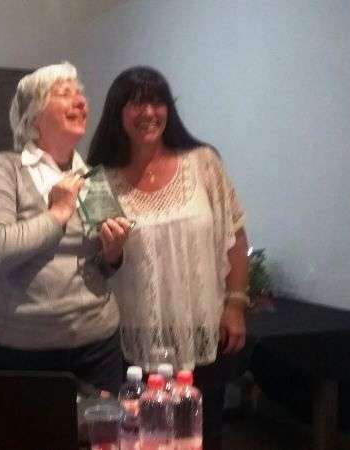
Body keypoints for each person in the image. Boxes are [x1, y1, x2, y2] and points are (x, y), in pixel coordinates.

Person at [87, 66, 249, 450]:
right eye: (136, 103)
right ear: (117, 112)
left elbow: (235, 236)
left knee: (203, 435)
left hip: (203, 329)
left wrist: (235, 305)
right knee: (143, 439)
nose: (149, 112)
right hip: (134, 340)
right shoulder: (96, 181)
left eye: (157, 102)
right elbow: (98, 267)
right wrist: (111, 252)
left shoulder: (204, 162)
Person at [0, 62, 132, 394]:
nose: (81, 102)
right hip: (21, 348)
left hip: (96, 342)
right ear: (33, 117)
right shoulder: (4, 169)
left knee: (100, 427)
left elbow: (103, 267)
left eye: (80, 94)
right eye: (64, 93)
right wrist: (58, 213)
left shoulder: (90, 176)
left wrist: (113, 252)